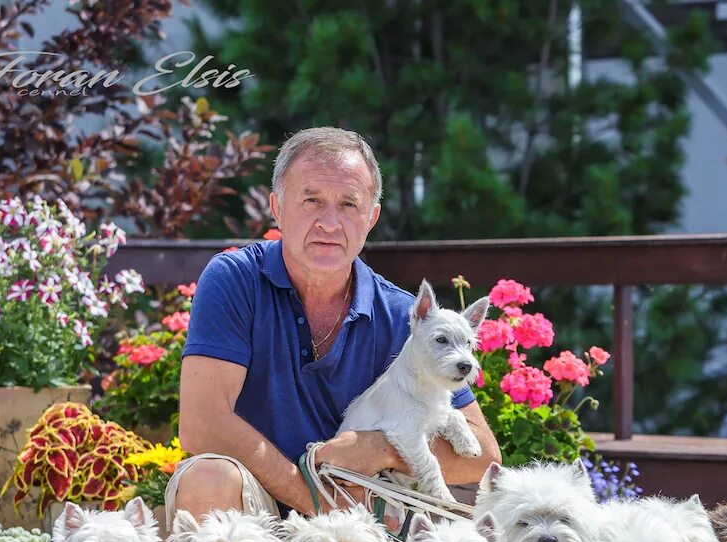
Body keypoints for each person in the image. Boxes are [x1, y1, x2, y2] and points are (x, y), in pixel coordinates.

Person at [164, 127, 501, 521]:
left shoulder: (403, 315)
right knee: (208, 478)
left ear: (371, 218)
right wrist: (312, 498)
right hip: (261, 503)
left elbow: (482, 453)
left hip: (358, 515)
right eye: (311, 200)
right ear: (277, 207)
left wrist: (379, 448)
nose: (329, 222)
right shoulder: (235, 278)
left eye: (348, 204)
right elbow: (202, 424)